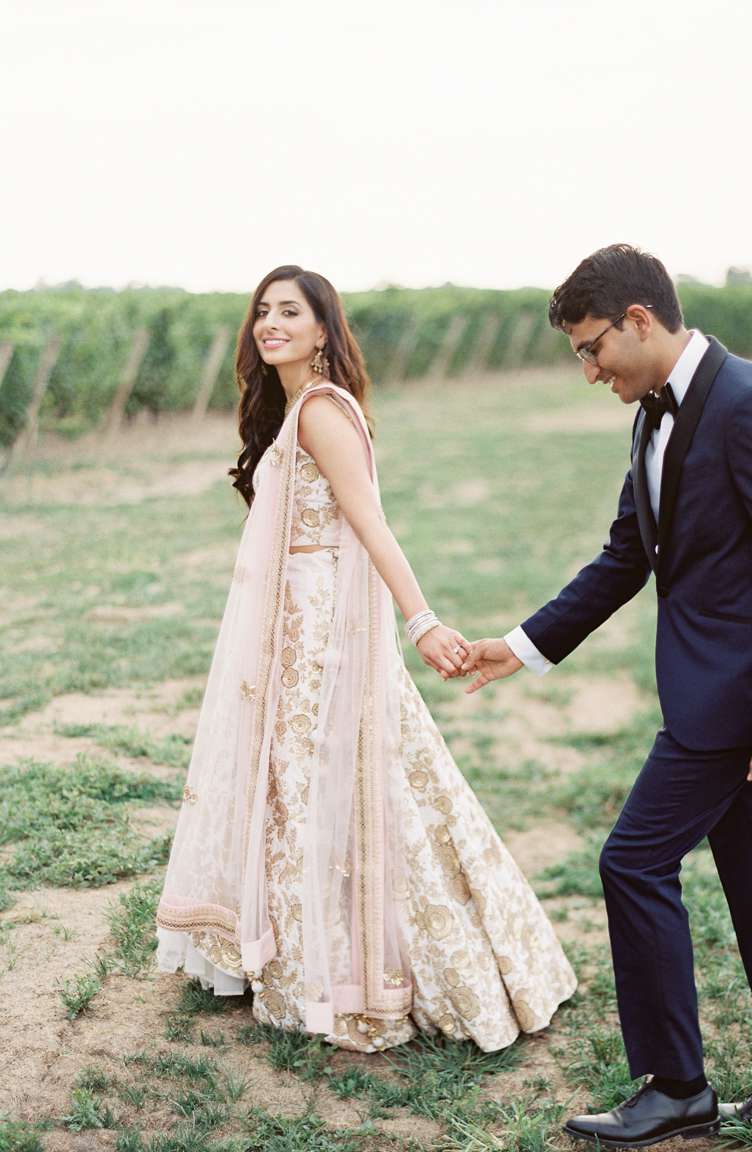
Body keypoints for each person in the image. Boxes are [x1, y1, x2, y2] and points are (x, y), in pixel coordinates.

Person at [463, 244, 752, 1146]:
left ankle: (676, 1085)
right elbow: (627, 555)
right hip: (710, 699)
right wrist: (522, 646)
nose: (590, 371)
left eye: (594, 349)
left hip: (740, 706)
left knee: (630, 862)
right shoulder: (651, 415)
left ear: (640, 319)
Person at [155, 265, 576, 1052]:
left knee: (354, 785)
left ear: (323, 329)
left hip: (323, 640)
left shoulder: (320, 411)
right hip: (291, 634)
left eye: (290, 312)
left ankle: (387, 969)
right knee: (304, 792)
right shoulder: (294, 408)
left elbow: (372, 525)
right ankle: (300, 956)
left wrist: (422, 622)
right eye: (262, 313)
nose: (270, 324)